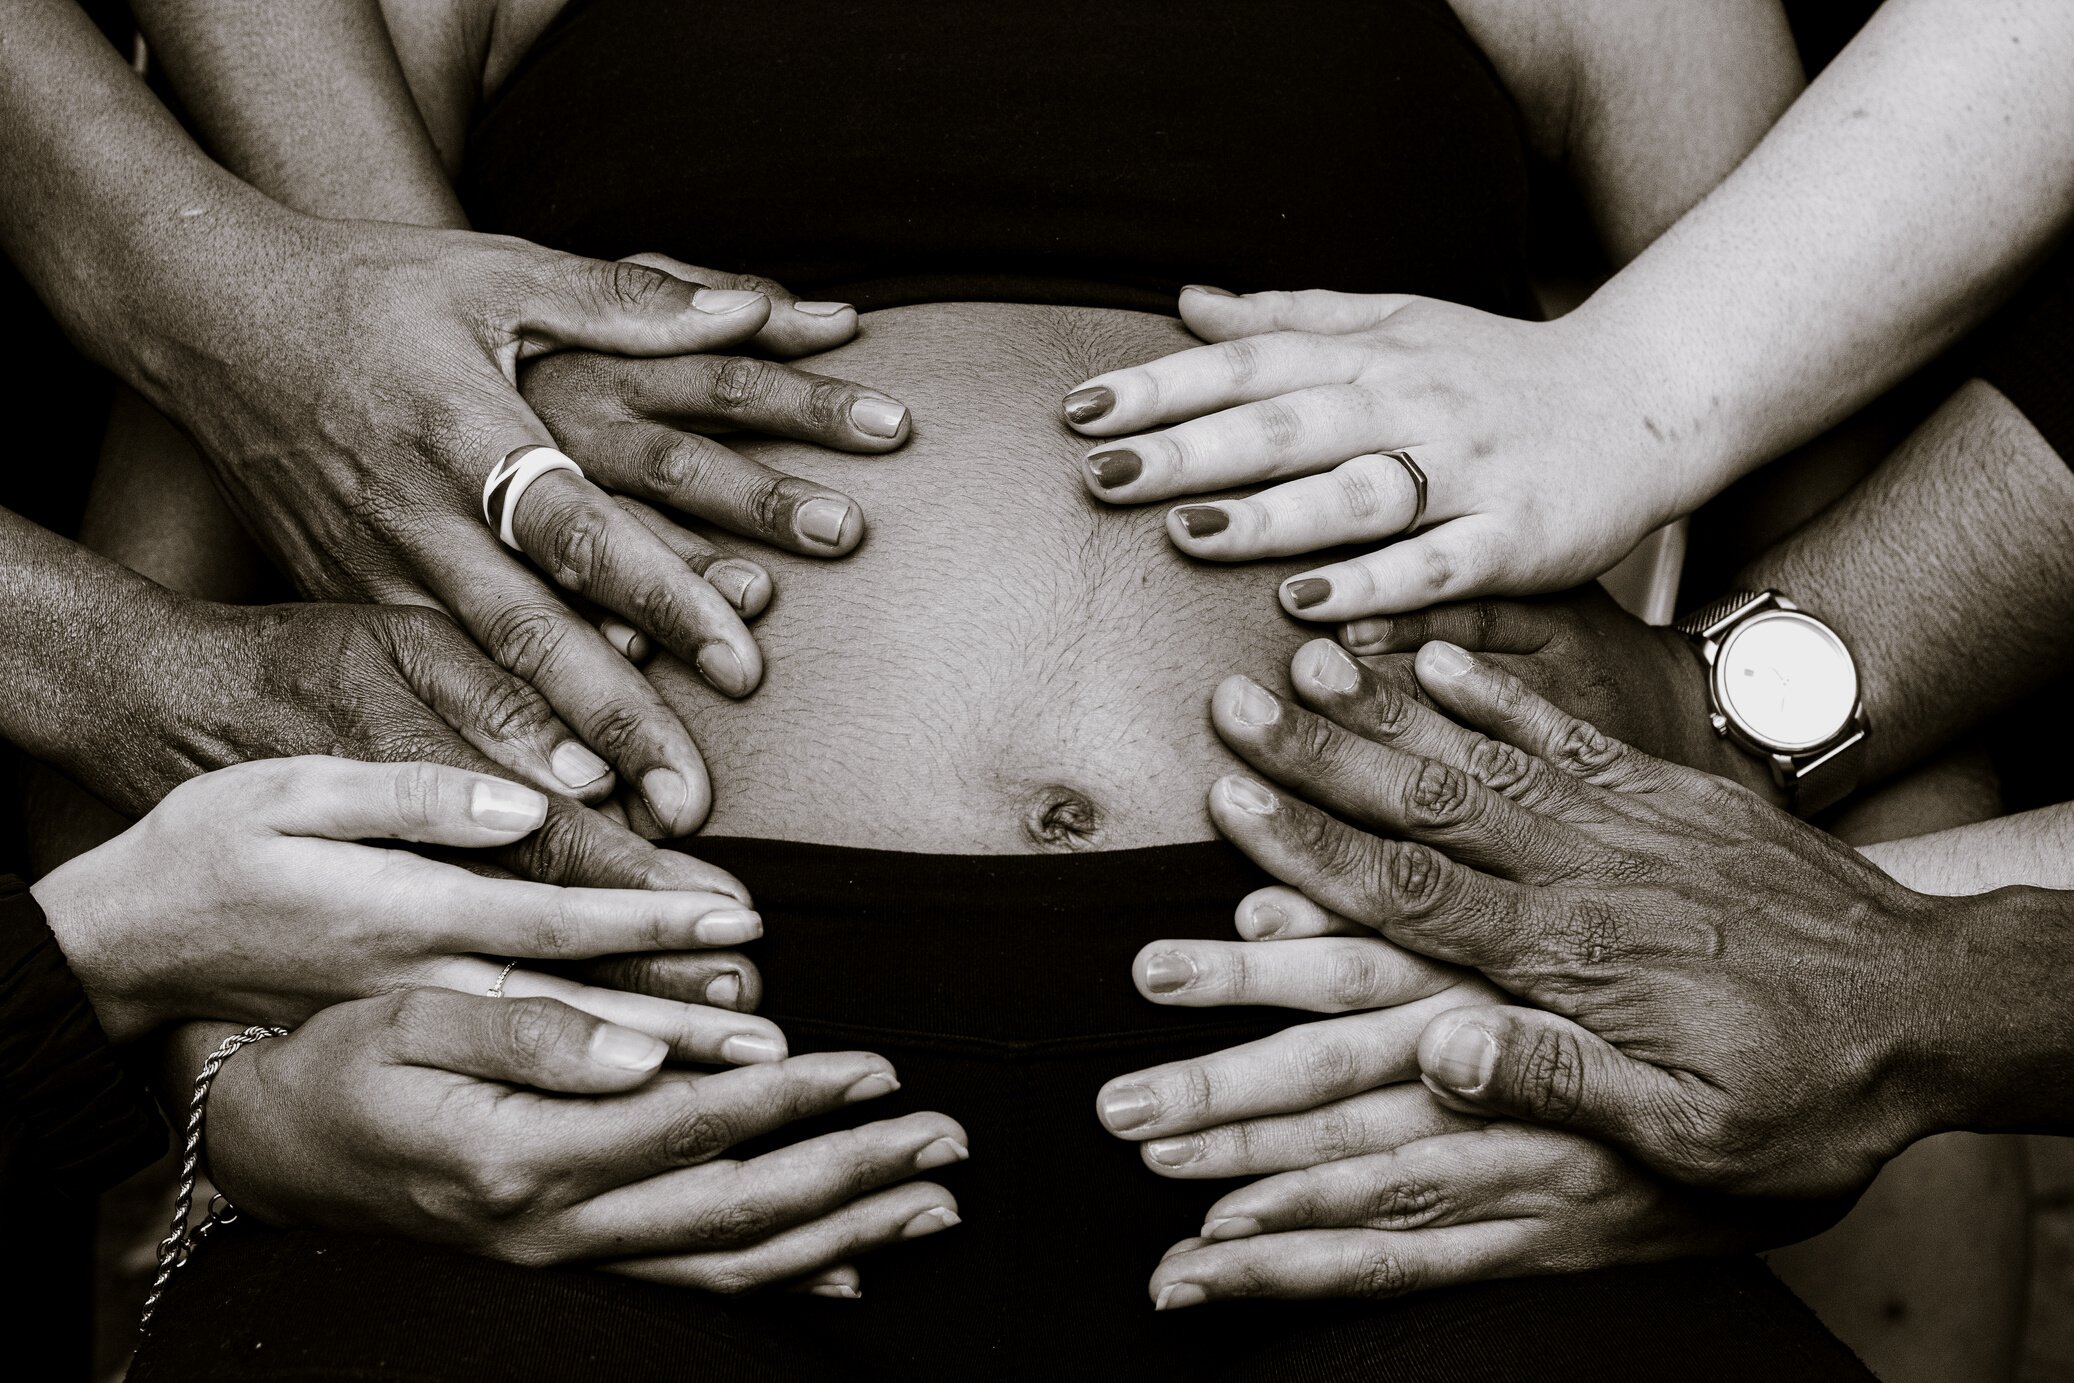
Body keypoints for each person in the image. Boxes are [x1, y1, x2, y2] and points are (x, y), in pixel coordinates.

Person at [84, 2, 1892, 1380]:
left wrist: (1900, 1277)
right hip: (596, 1057)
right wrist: (232, 1101)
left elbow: (1834, 568)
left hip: (1414, 1064)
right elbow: (220, 532)